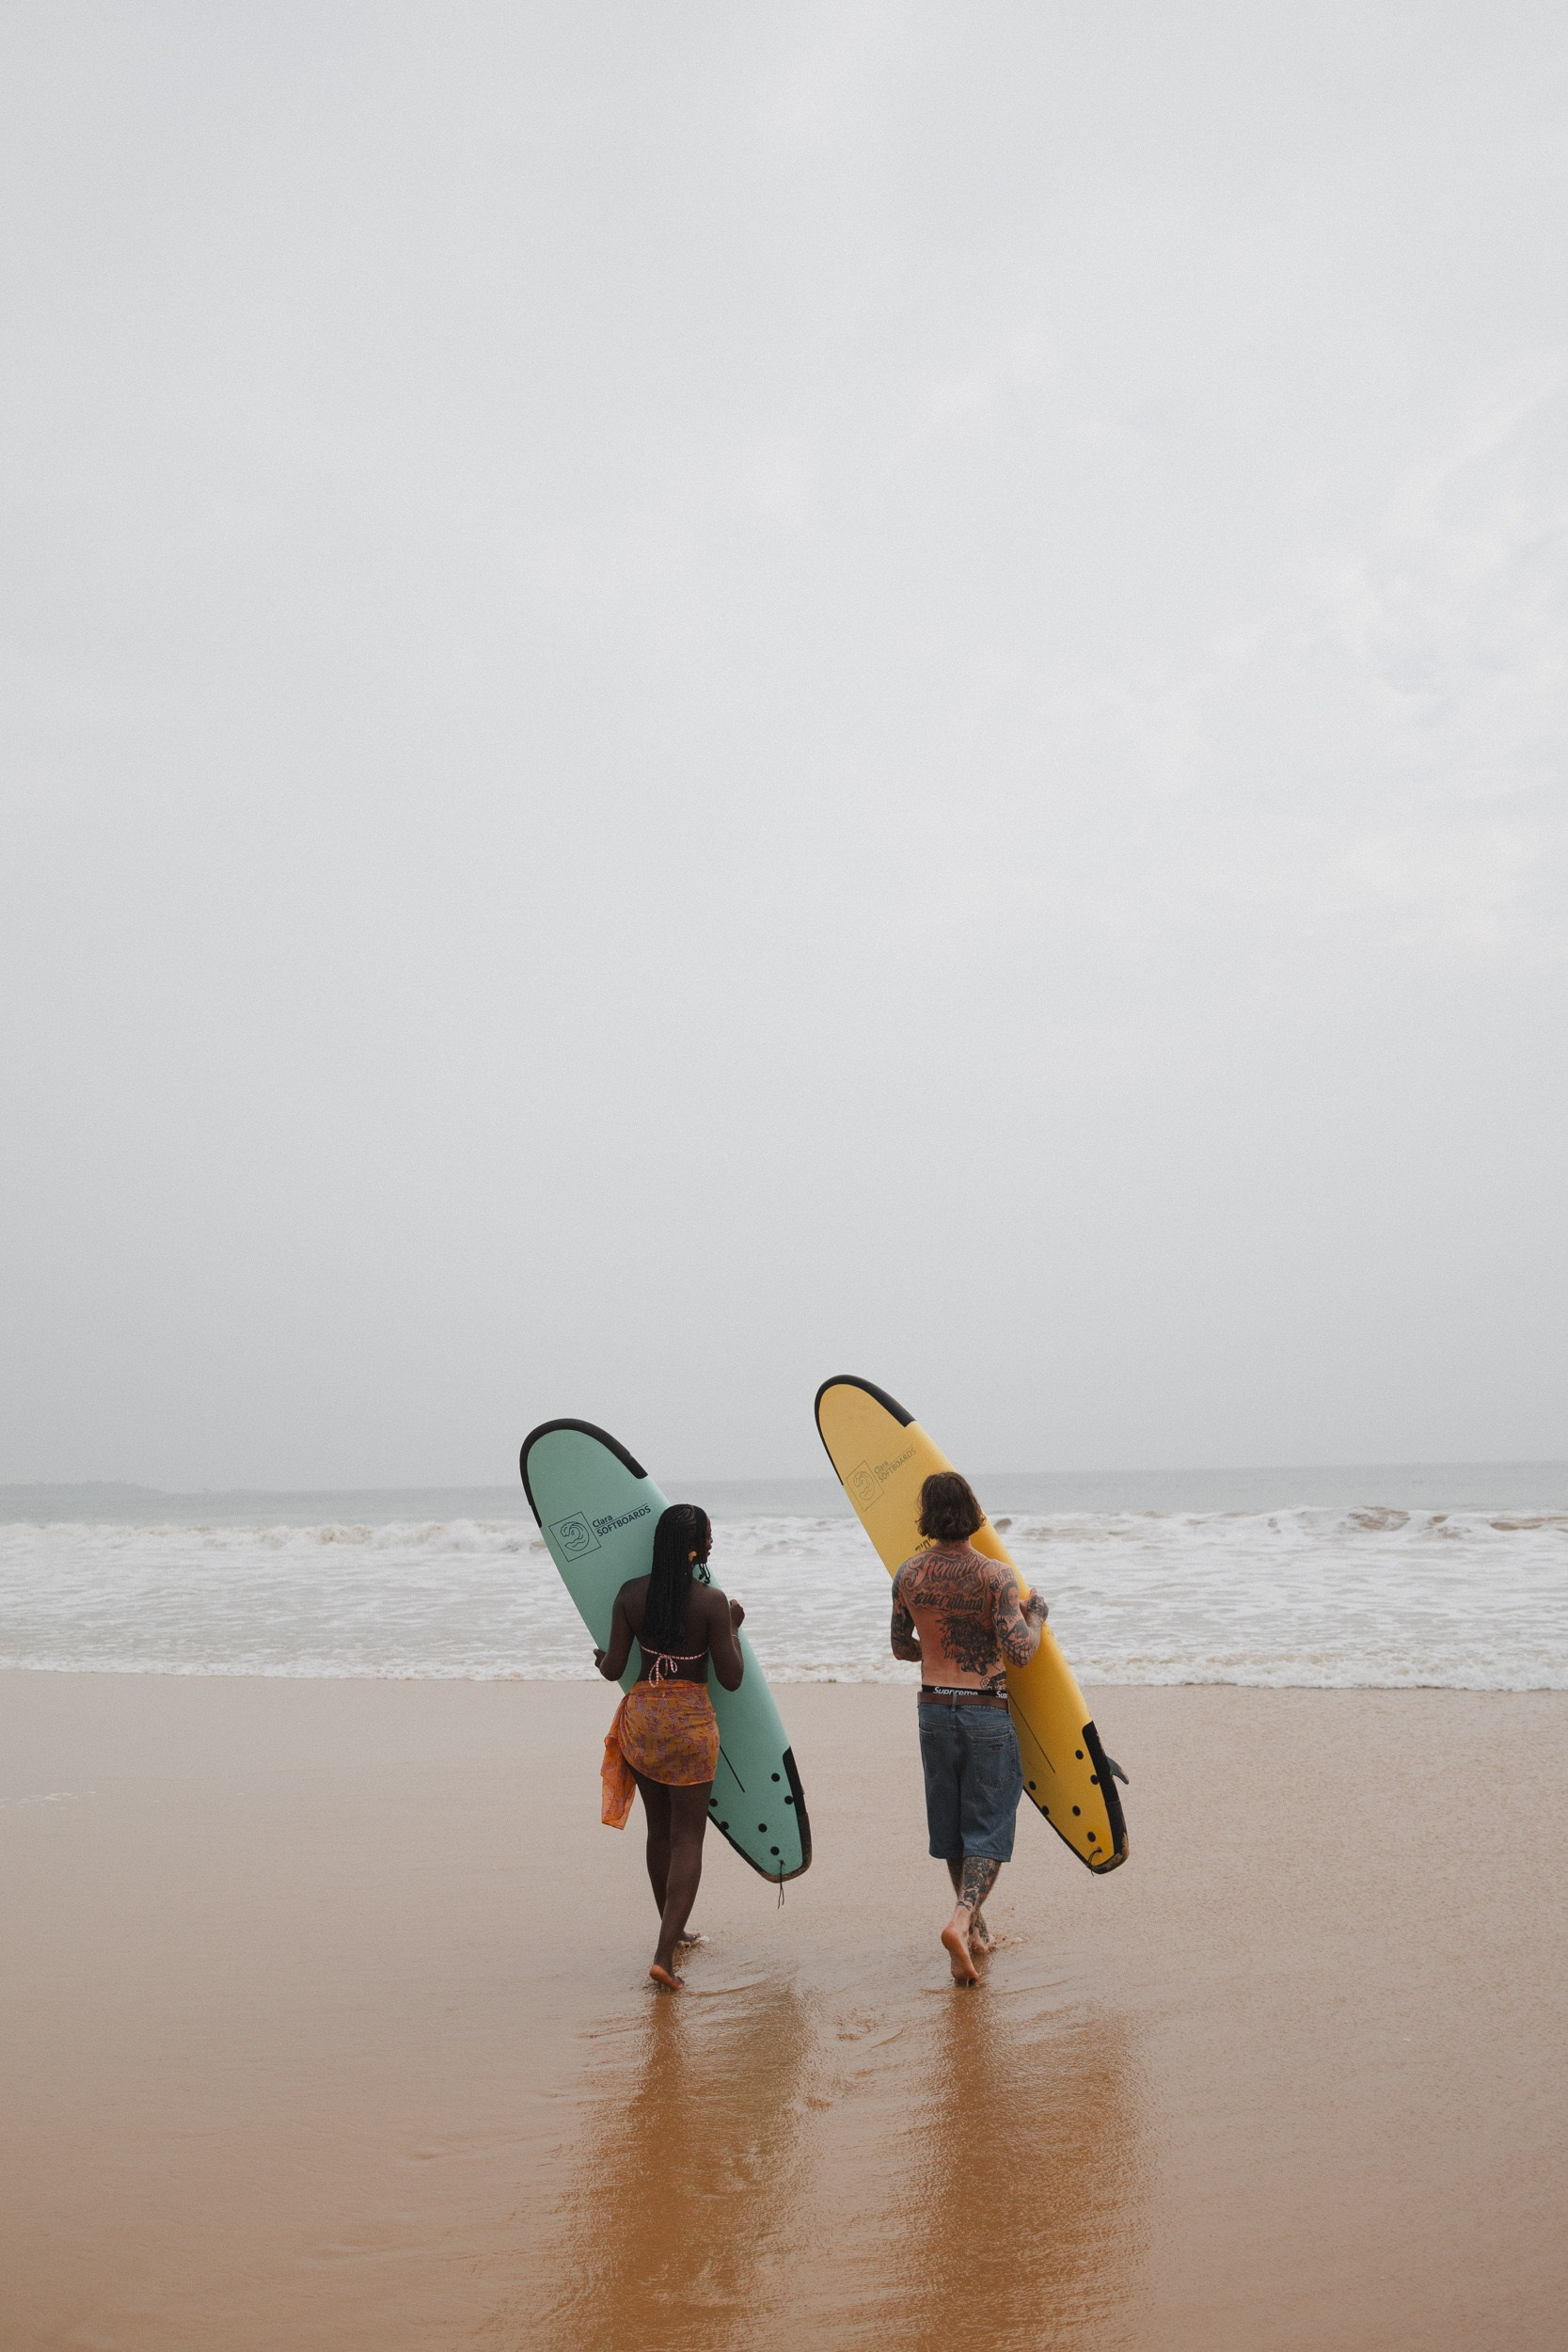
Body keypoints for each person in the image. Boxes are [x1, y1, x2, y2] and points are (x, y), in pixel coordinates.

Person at [891, 1470, 1048, 1984]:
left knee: (954, 1823)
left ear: (927, 1515)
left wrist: (936, 1647)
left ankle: (976, 1930)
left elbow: (901, 1647)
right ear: (973, 1511)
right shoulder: (996, 1577)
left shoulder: (908, 1575)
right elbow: (1020, 1652)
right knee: (989, 1824)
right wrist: (1036, 1616)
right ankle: (960, 1921)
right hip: (984, 1709)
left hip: (933, 1710)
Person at [595, 1502, 746, 1990]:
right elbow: (732, 1677)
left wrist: (600, 1658)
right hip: (689, 1726)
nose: (711, 1543)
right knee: (687, 1840)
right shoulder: (711, 1602)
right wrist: (733, 1626)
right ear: (693, 1547)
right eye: (708, 1535)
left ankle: (673, 1931)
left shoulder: (629, 1595)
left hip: (643, 1722)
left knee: (659, 1834)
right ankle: (664, 1955)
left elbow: (614, 1669)